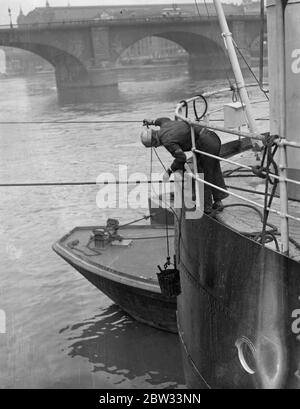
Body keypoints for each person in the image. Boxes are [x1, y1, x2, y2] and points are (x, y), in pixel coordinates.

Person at [140, 117, 228, 214]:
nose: (156, 147)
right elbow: (162, 119)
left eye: (154, 146)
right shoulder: (165, 124)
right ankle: (218, 200)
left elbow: (181, 158)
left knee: (204, 175)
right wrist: (151, 121)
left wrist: (169, 171)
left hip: (206, 144)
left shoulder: (167, 141)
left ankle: (207, 208)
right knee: (208, 169)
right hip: (211, 137)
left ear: (154, 142)